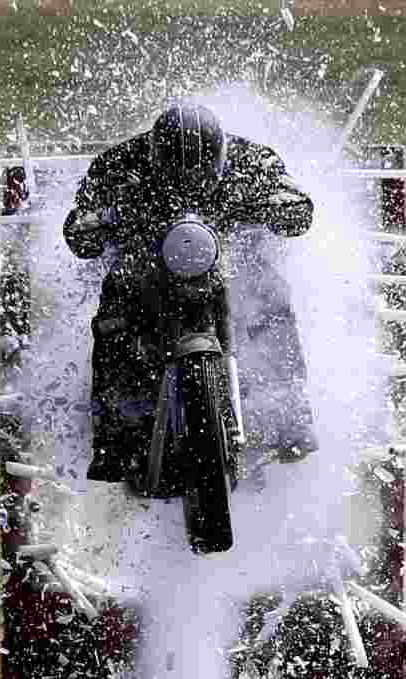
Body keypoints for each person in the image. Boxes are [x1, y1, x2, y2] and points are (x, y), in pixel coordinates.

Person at [63, 102, 318, 489]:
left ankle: (291, 410)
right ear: (155, 155)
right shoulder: (116, 164)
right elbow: (81, 220)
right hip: (145, 263)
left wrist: (283, 206)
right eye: (178, 172)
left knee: (272, 293)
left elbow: (294, 199)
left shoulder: (250, 159)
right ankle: (111, 431)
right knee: (114, 307)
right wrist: (94, 223)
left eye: (201, 170)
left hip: (226, 259)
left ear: (218, 156)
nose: (191, 180)